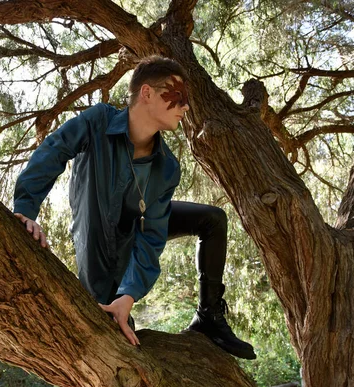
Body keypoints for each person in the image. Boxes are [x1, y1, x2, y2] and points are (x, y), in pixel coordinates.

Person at [13, 56, 256, 359]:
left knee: (213, 219)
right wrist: (25, 209)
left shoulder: (167, 167)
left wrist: (130, 294)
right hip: (98, 238)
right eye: (177, 97)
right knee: (114, 329)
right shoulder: (99, 121)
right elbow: (54, 151)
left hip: (135, 230)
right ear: (146, 93)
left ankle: (209, 316)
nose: (185, 107)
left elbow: (152, 235)